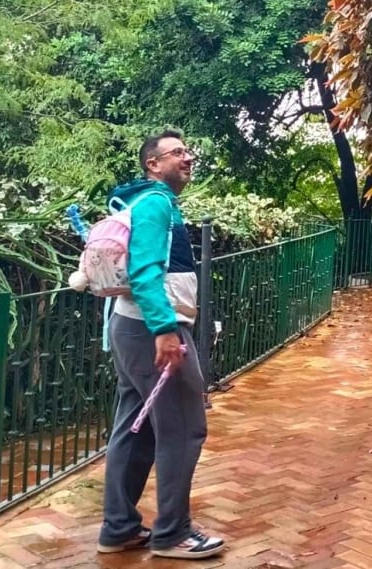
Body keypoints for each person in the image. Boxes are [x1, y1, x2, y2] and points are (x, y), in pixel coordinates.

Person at [97, 130, 224, 559]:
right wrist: (166, 330)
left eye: (189, 151)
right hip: (153, 331)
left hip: (132, 329)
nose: (187, 158)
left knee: (136, 432)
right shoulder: (154, 204)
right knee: (185, 428)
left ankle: (118, 528)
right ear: (153, 164)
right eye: (177, 153)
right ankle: (172, 533)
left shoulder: (151, 203)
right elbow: (145, 271)